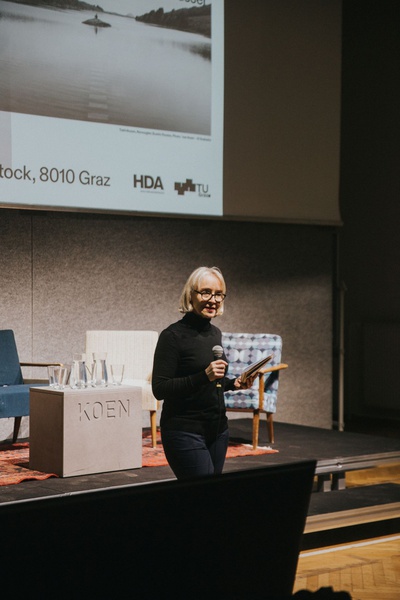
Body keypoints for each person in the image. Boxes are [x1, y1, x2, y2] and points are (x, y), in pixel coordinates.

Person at [152, 266, 254, 479]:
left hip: (218, 431)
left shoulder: (215, 333)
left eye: (218, 294)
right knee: (203, 495)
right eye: (206, 292)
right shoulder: (172, 336)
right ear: (191, 294)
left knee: (211, 496)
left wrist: (233, 383)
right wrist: (203, 376)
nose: (213, 300)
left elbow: (212, 382)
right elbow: (160, 389)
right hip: (184, 431)